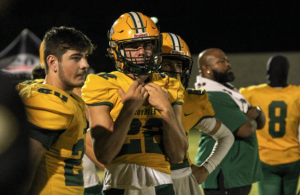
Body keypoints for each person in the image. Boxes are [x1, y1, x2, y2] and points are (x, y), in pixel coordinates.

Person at [82, 12, 188, 195]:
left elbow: (178, 155)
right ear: (116, 51)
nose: (142, 52)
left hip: (162, 183)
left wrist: (166, 109)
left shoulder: (170, 85)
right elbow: (104, 155)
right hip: (119, 183)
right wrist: (129, 108)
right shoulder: (101, 84)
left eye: (147, 45)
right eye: (133, 46)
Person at [16, 26, 95, 195]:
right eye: (76, 58)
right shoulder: (50, 102)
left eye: (85, 57)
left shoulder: (69, 98)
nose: (85, 64)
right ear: (52, 62)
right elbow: (23, 170)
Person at [160, 33, 234, 195]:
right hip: (140, 180)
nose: (175, 71)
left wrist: (208, 167)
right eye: (167, 64)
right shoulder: (132, 96)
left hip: (179, 179)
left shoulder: (191, 100)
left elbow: (226, 136)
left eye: (179, 66)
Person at [194, 48, 266, 195]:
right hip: (225, 172)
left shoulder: (226, 88)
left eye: (227, 60)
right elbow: (246, 129)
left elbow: (260, 123)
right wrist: (254, 114)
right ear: (207, 69)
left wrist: (257, 111)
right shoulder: (211, 95)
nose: (228, 64)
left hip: (235, 172)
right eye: (222, 61)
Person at [240, 55, 300, 195]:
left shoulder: (250, 93)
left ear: (267, 71)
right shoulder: (297, 93)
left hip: (266, 159)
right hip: (293, 158)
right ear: (287, 72)